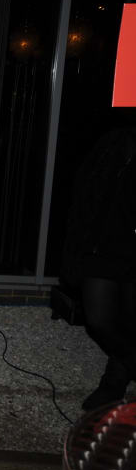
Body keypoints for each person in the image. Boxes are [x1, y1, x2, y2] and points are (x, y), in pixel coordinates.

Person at [62, 123, 136, 411]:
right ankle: (127, 366)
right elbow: (85, 194)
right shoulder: (112, 141)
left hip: (131, 250)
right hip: (101, 248)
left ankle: (113, 383)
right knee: (99, 320)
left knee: (130, 321)